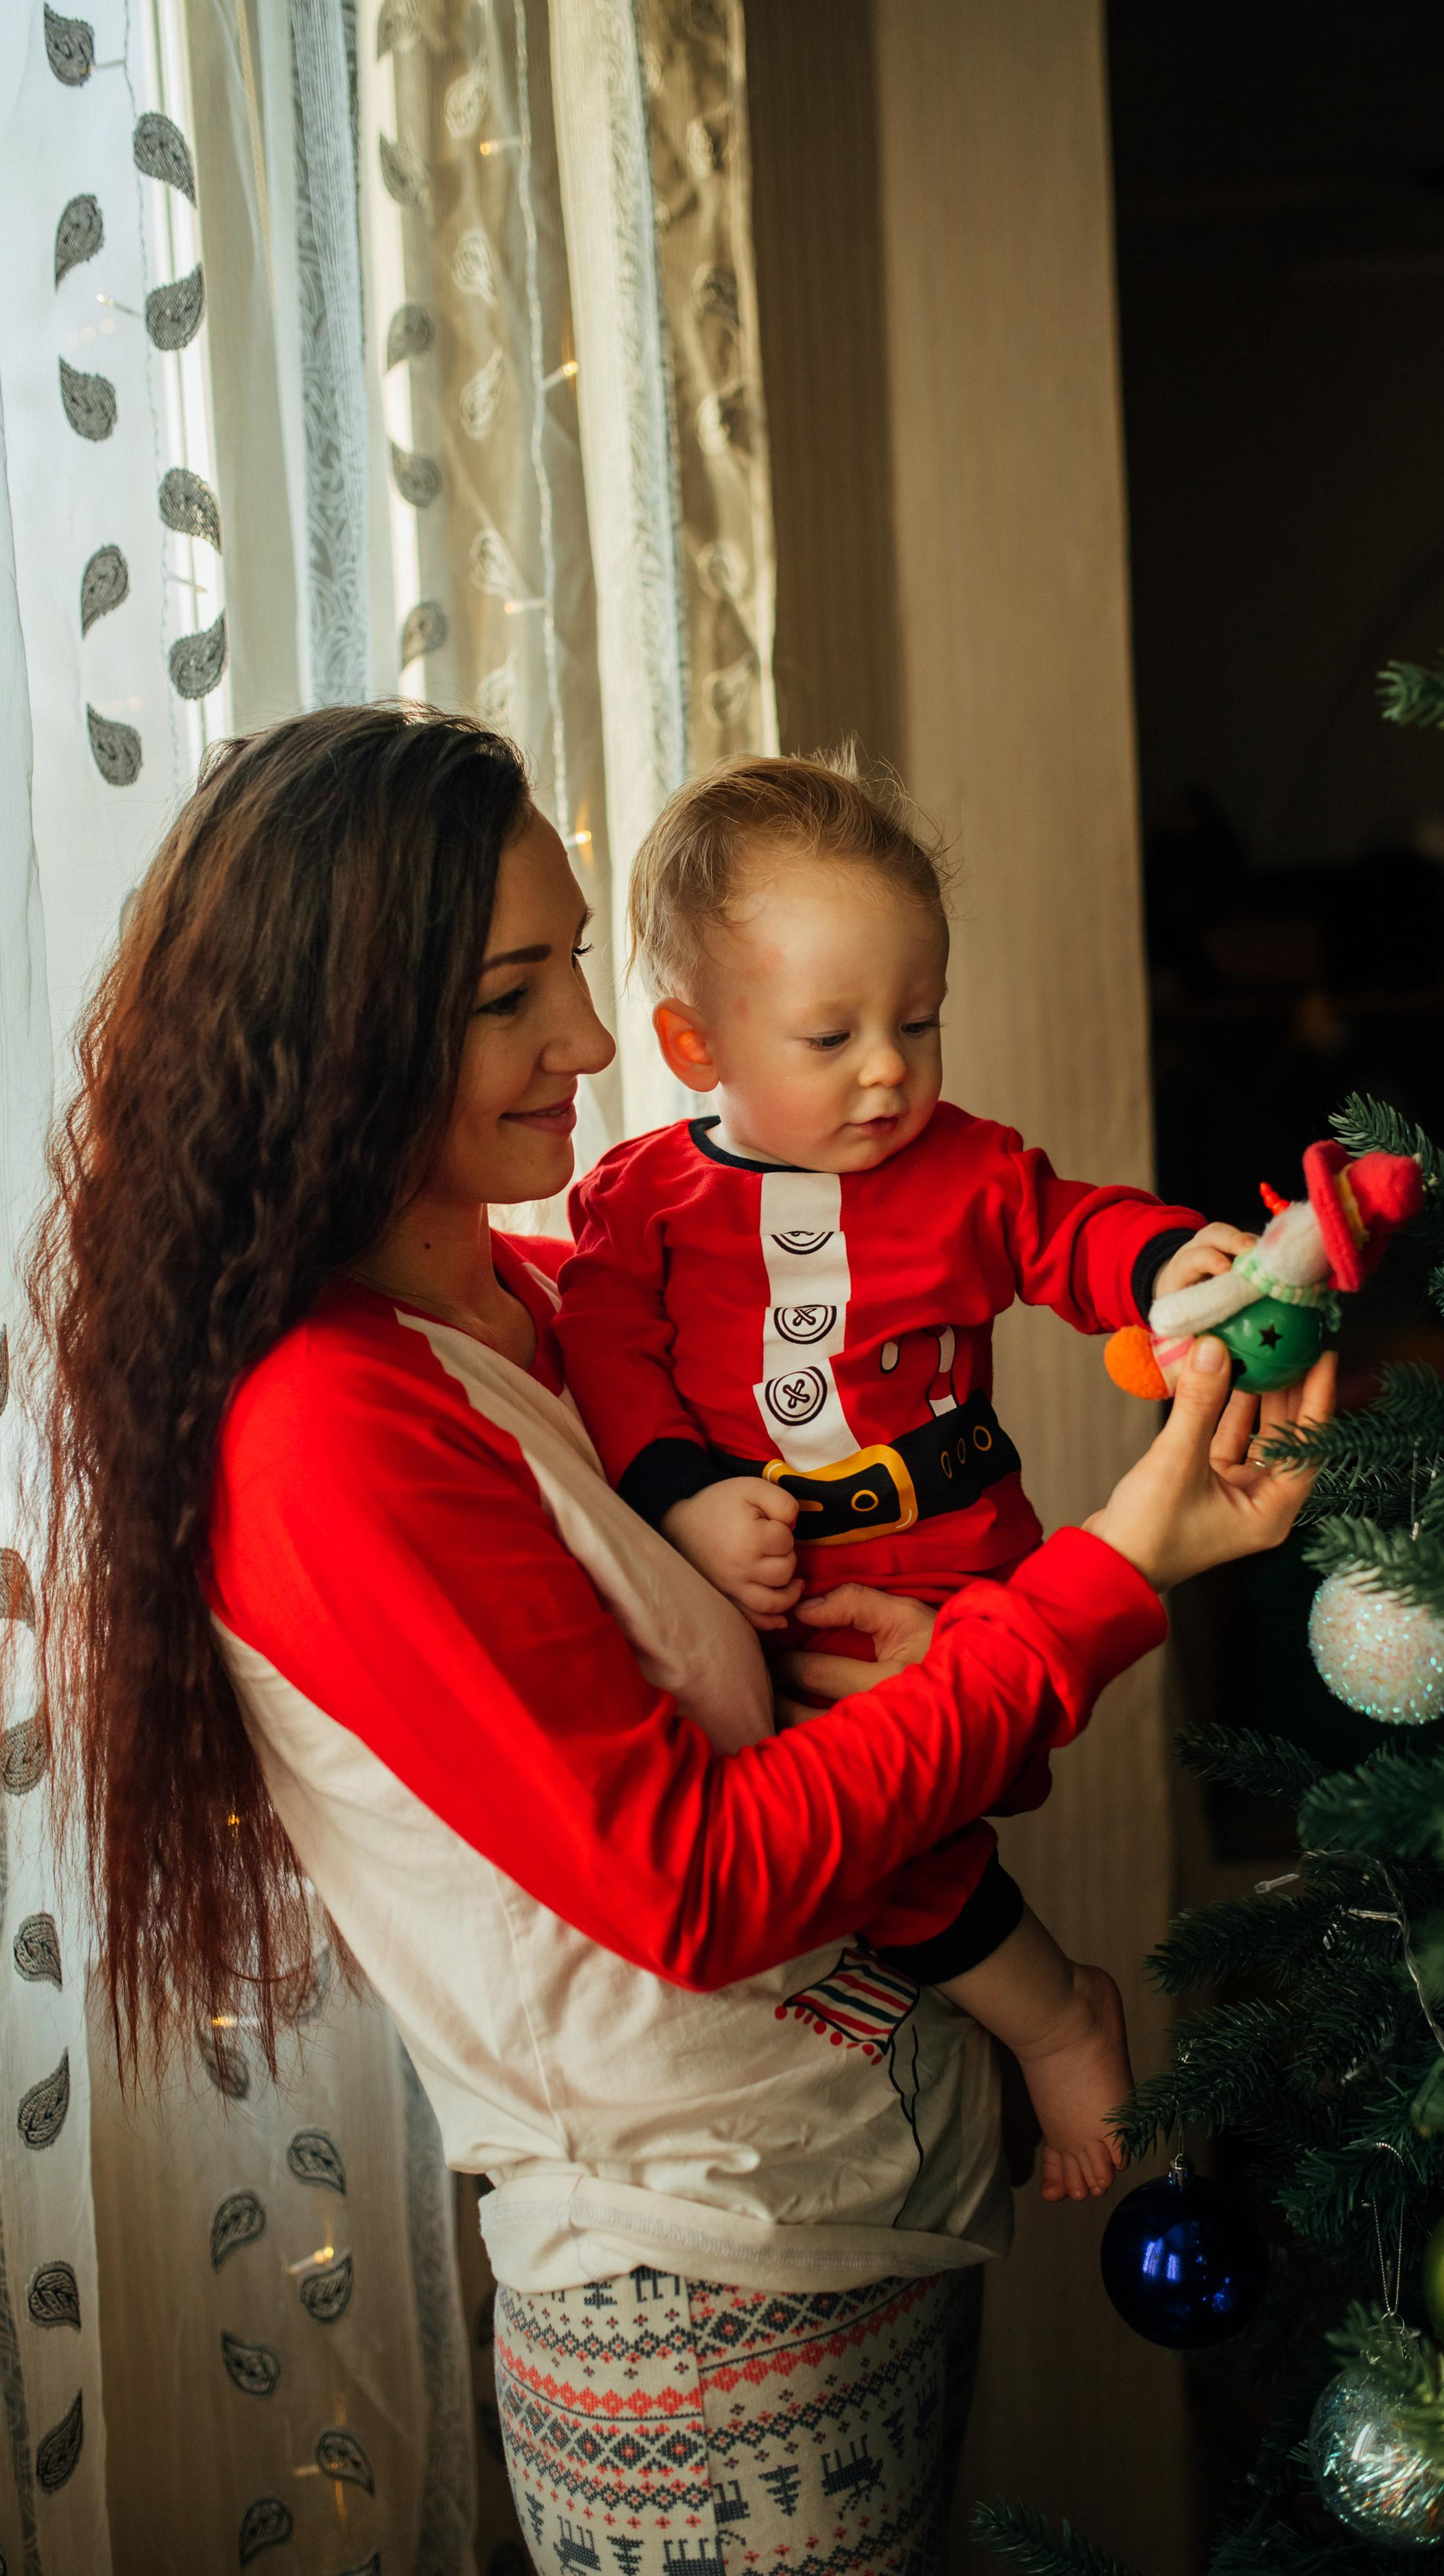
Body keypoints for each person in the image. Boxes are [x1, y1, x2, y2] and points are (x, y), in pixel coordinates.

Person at [29, 704, 1329, 2573]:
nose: (588, 1039)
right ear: (338, 1039)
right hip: (714, 2330)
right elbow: (691, 1886)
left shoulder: (520, 1304)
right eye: (511, 993)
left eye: (570, 963)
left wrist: (1179, 1292)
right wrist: (1119, 1566)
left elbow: (912, 1310)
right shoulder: (328, 1434)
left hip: (845, 2229)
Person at [552, 754, 1257, 2204]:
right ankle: (1031, 2007)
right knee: (842, 1839)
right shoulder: (641, 1205)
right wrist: (685, 1494)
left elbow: (1067, 1233)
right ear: (694, 1047)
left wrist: (1157, 1262)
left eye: (916, 1022)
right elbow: (608, 1358)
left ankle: (1056, 2020)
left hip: (956, 1559)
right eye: (832, 1035)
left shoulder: (959, 1170)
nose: (889, 1067)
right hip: (775, 1587)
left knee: (913, 1807)